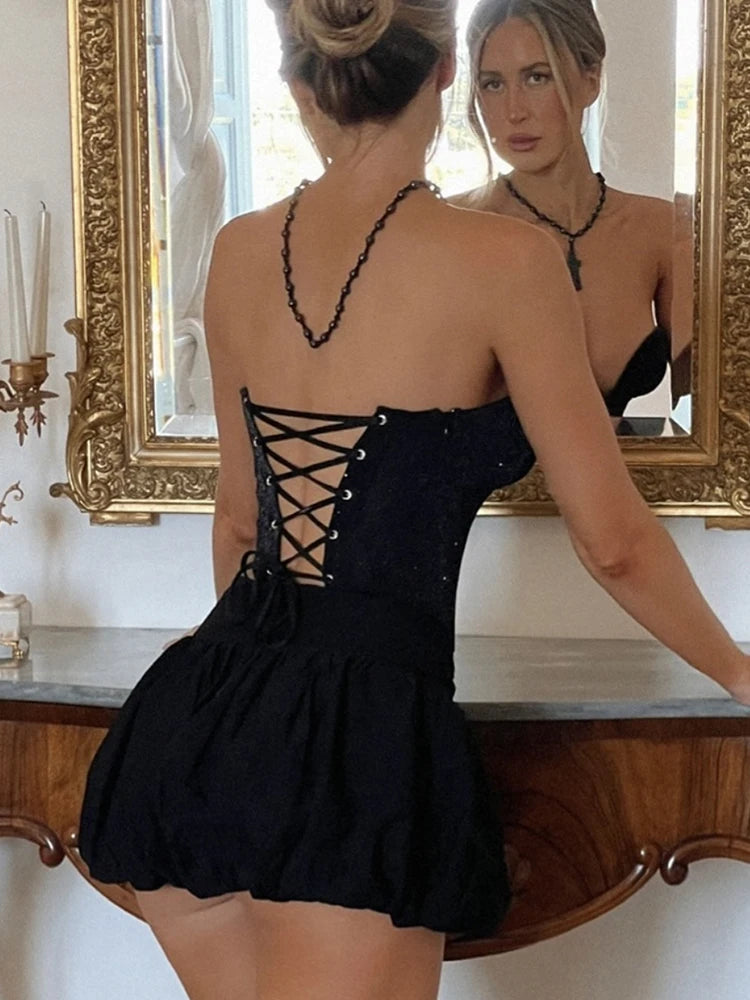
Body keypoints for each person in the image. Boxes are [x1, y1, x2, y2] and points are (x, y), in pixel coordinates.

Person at [76, 2, 749, 998]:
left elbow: (240, 524)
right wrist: (739, 672)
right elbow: (612, 541)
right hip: (357, 751)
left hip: (197, 725)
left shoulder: (239, 250)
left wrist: (274, 728)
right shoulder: (505, 261)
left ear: (298, 81)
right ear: (444, 72)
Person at [454, 0, 692, 418]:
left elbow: (714, 419)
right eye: (492, 84)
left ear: (591, 80)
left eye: (537, 77)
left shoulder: (662, 230)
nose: (514, 111)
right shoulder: (454, 229)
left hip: (635, 463)